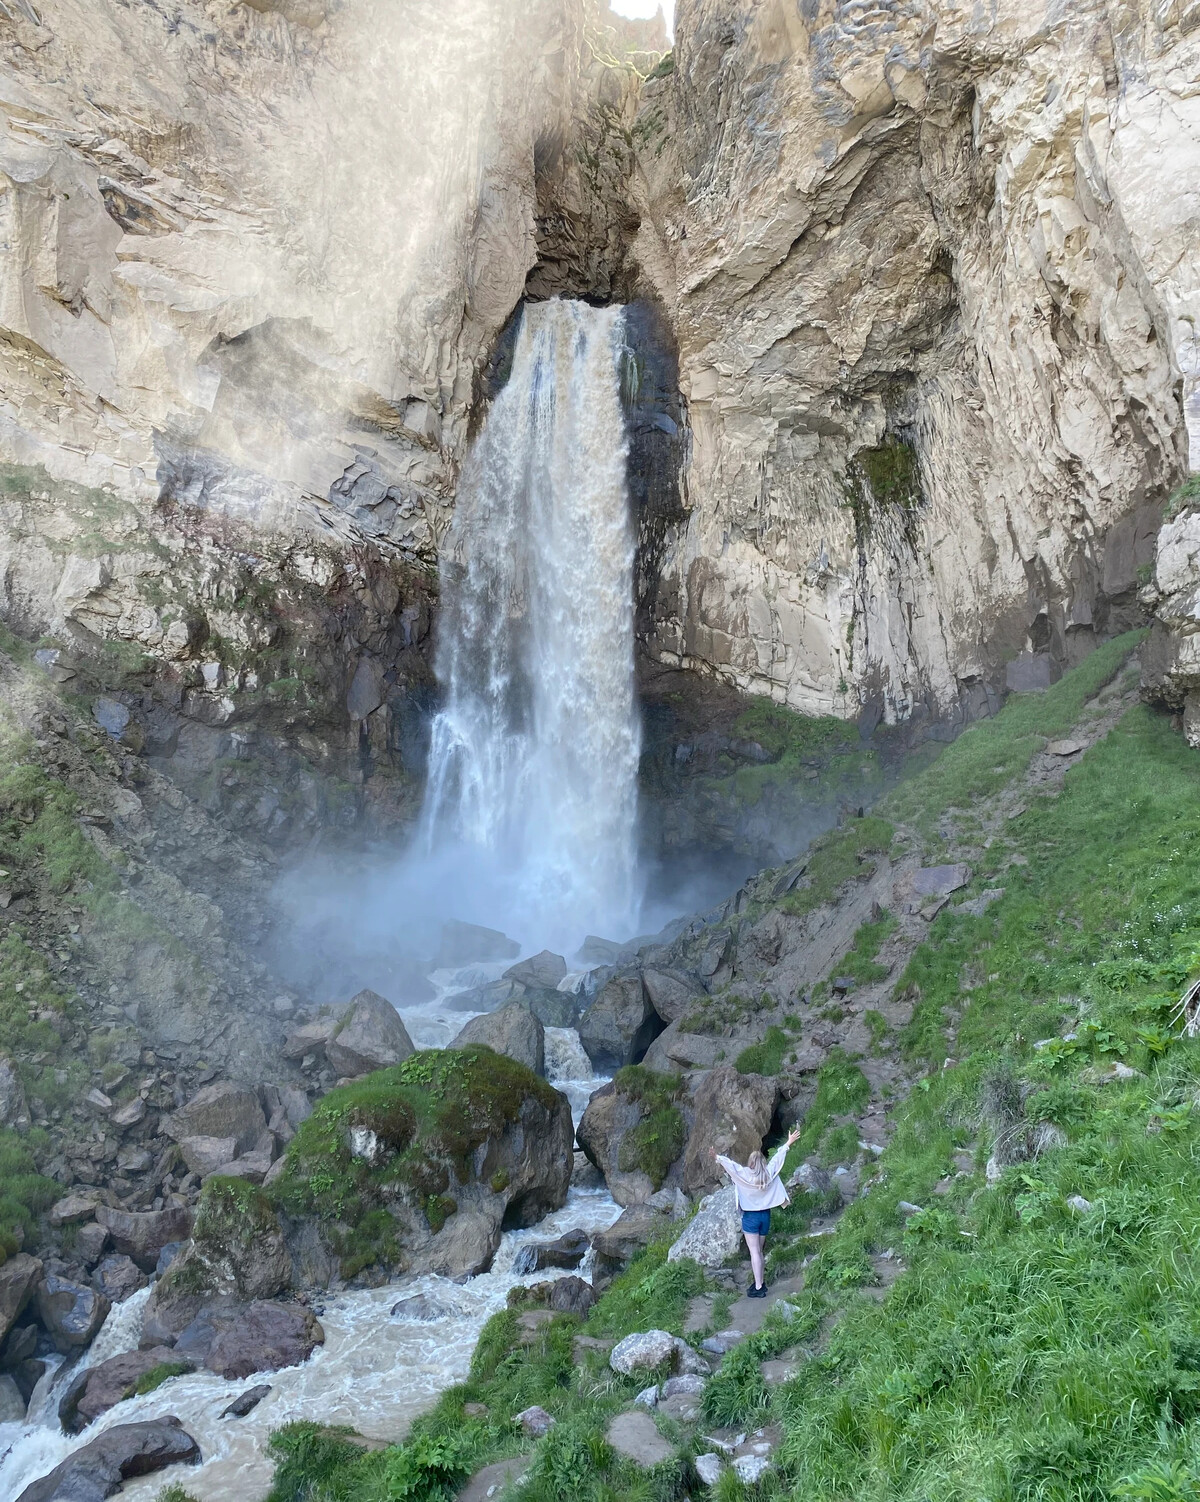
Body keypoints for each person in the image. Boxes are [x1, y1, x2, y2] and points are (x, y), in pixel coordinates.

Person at [710, 1129, 801, 1297]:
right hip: (765, 1216)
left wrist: (717, 1158)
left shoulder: (744, 1175)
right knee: (759, 1251)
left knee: (754, 1252)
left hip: (751, 1218)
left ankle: (759, 1287)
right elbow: (778, 1159)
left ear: (750, 1163)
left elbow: (732, 1167)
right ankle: (760, 1281)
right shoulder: (768, 1173)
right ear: (762, 1162)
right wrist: (788, 1143)